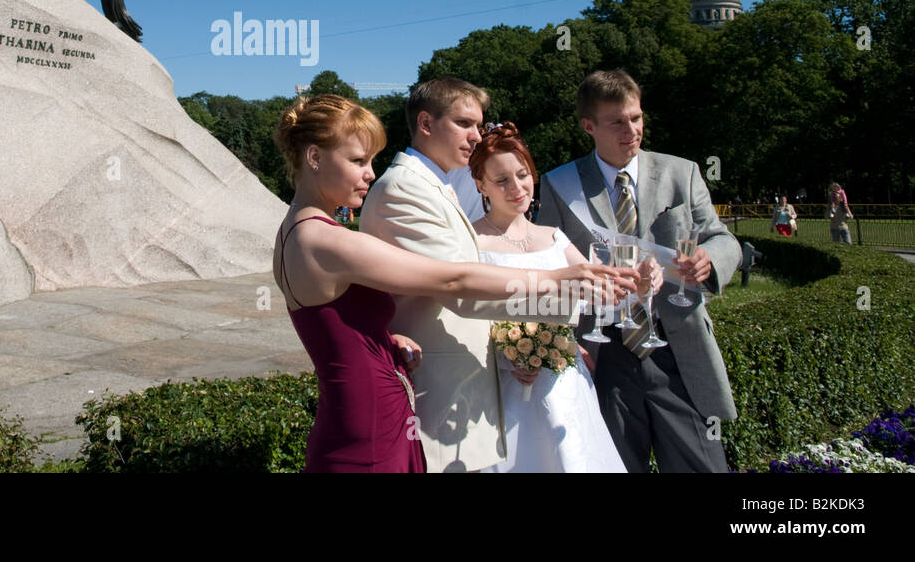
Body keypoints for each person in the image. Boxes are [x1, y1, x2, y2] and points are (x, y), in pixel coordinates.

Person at [273, 93, 631, 473]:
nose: (371, 174)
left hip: (362, 411)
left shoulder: (297, 230)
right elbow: (452, 278)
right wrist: (552, 278)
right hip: (369, 423)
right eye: (359, 161)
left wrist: (384, 339)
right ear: (315, 158)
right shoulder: (326, 240)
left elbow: (331, 323)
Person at [536, 69, 742, 473]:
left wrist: (709, 258)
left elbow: (722, 237)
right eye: (617, 122)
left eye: (637, 117)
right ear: (589, 126)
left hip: (677, 347)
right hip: (603, 350)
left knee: (702, 465)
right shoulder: (559, 184)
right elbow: (547, 265)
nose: (631, 130)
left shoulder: (682, 172)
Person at [470, 122, 642, 472]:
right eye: (501, 180)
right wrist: (506, 356)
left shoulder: (554, 237)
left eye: (523, 175)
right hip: (502, 385)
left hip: (564, 383)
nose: (517, 187)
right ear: (480, 185)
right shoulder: (472, 242)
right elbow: (465, 312)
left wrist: (640, 282)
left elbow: (599, 294)